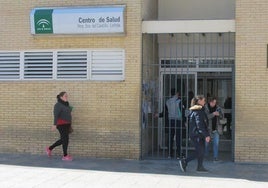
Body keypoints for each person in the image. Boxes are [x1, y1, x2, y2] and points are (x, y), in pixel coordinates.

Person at [179, 95, 210, 173]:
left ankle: (200, 167)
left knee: (201, 151)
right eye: (203, 100)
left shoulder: (198, 110)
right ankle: (185, 161)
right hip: (197, 135)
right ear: (199, 101)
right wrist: (206, 135)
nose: (205, 102)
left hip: (198, 134)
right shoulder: (198, 111)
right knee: (200, 151)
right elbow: (200, 124)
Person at [156, 88, 185, 158]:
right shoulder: (180, 101)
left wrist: (158, 115)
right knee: (178, 138)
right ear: (176, 94)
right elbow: (182, 112)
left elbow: (165, 112)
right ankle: (179, 154)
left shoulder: (168, 101)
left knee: (170, 138)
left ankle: (170, 154)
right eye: (178, 93)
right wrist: (184, 121)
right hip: (178, 121)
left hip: (170, 121)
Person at [46, 91, 73, 161]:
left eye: (67, 96)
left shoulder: (66, 104)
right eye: (65, 96)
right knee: (65, 140)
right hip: (61, 124)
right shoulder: (57, 105)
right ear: (61, 97)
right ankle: (65, 156)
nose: (67, 97)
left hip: (67, 124)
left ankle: (49, 148)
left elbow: (67, 114)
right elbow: (56, 115)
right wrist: (54, 124)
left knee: (63, 140)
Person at [204, 97, 223, 162]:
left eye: (215, 102)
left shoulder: (218, 108)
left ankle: (215, 157)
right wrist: (213, 114)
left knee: (216, 144)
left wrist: (219, 114)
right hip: (208, 129)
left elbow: (222, 117)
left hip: (216, 129)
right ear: (210, 102)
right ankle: (206, 156)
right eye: (213, 102)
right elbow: (206, 117)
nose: (214, 104)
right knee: (206, 143)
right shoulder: (205, 108)